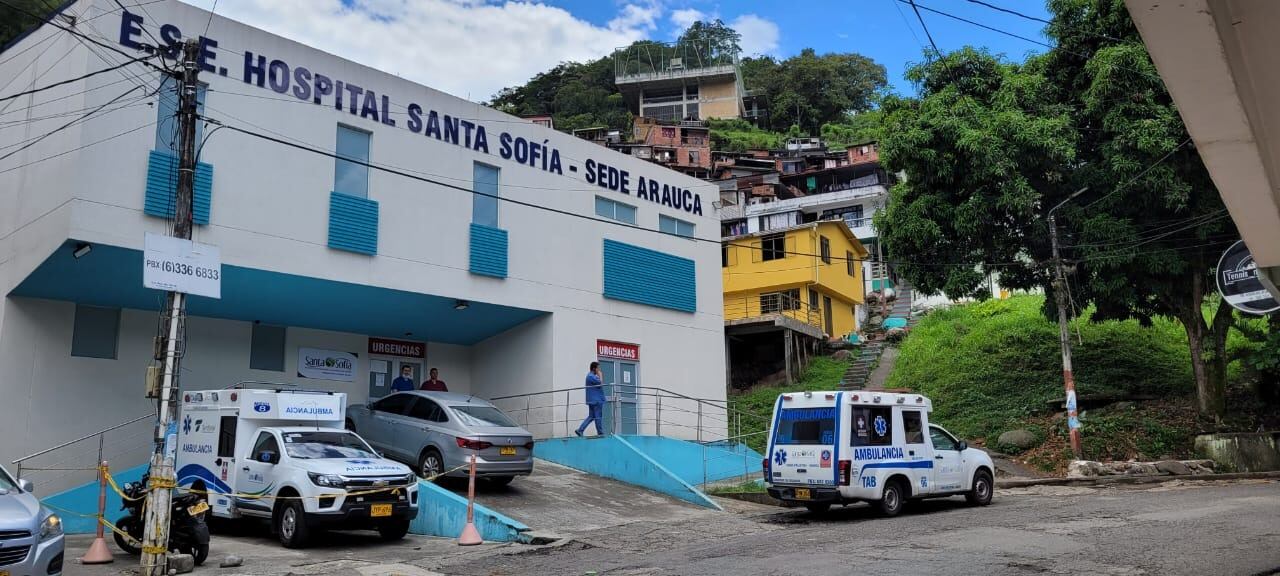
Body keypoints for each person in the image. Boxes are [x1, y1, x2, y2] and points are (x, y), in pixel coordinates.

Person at [575, 362, 605, 437]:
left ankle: (580, 430)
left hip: (593, 400)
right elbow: (600, 383)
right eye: (598, 368)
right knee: (598, 417)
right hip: (596, 400)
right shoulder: (591, 376)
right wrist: (600, 375)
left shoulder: (591, 376)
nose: (599, 370)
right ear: (594, 368)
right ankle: (600, 433)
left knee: (591, 417)